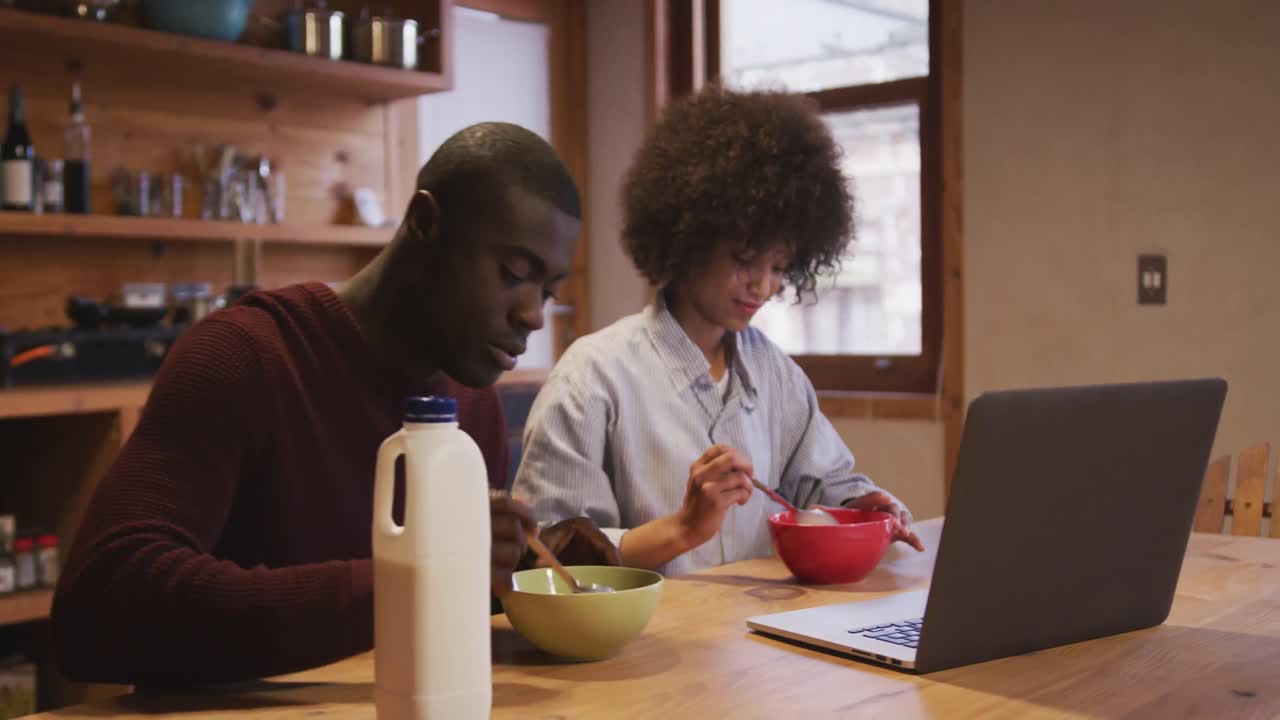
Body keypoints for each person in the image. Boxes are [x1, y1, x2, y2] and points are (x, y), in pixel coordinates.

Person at [51, 122, 618, 687]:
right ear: (424, 223)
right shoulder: (246, 357)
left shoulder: (473, 405)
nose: (533, 315)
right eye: (514, 274)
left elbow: (437, 624)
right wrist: (409, 584)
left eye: (547, 291)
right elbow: (100, 607)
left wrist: (510, 568)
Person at [513, 86, 925, 577]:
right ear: (688, 239)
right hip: (645, 647)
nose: (763, 285)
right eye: (745, 259)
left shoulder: (776, 376)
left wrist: (866, 505)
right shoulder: (592, 378)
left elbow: (828, 487)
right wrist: (683, 529)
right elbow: (550, 557)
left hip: (759, 640)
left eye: (779, 266)